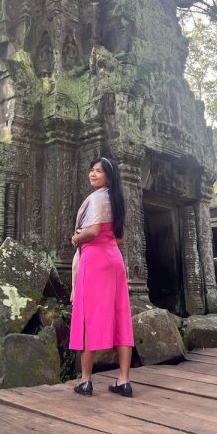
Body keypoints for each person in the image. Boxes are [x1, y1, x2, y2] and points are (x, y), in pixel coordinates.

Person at [69, 156, 134, 397]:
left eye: (99, 171)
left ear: (109, 176)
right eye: (92, 170)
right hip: (114, 259)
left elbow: (94, 231)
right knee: (120, 314)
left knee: (88, 315)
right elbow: (119, 238)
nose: (93, 174)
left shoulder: (97, 198)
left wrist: (76, 238)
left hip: (94, 259)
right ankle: (123, 381)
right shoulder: (115, 199)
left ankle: (86, 381)